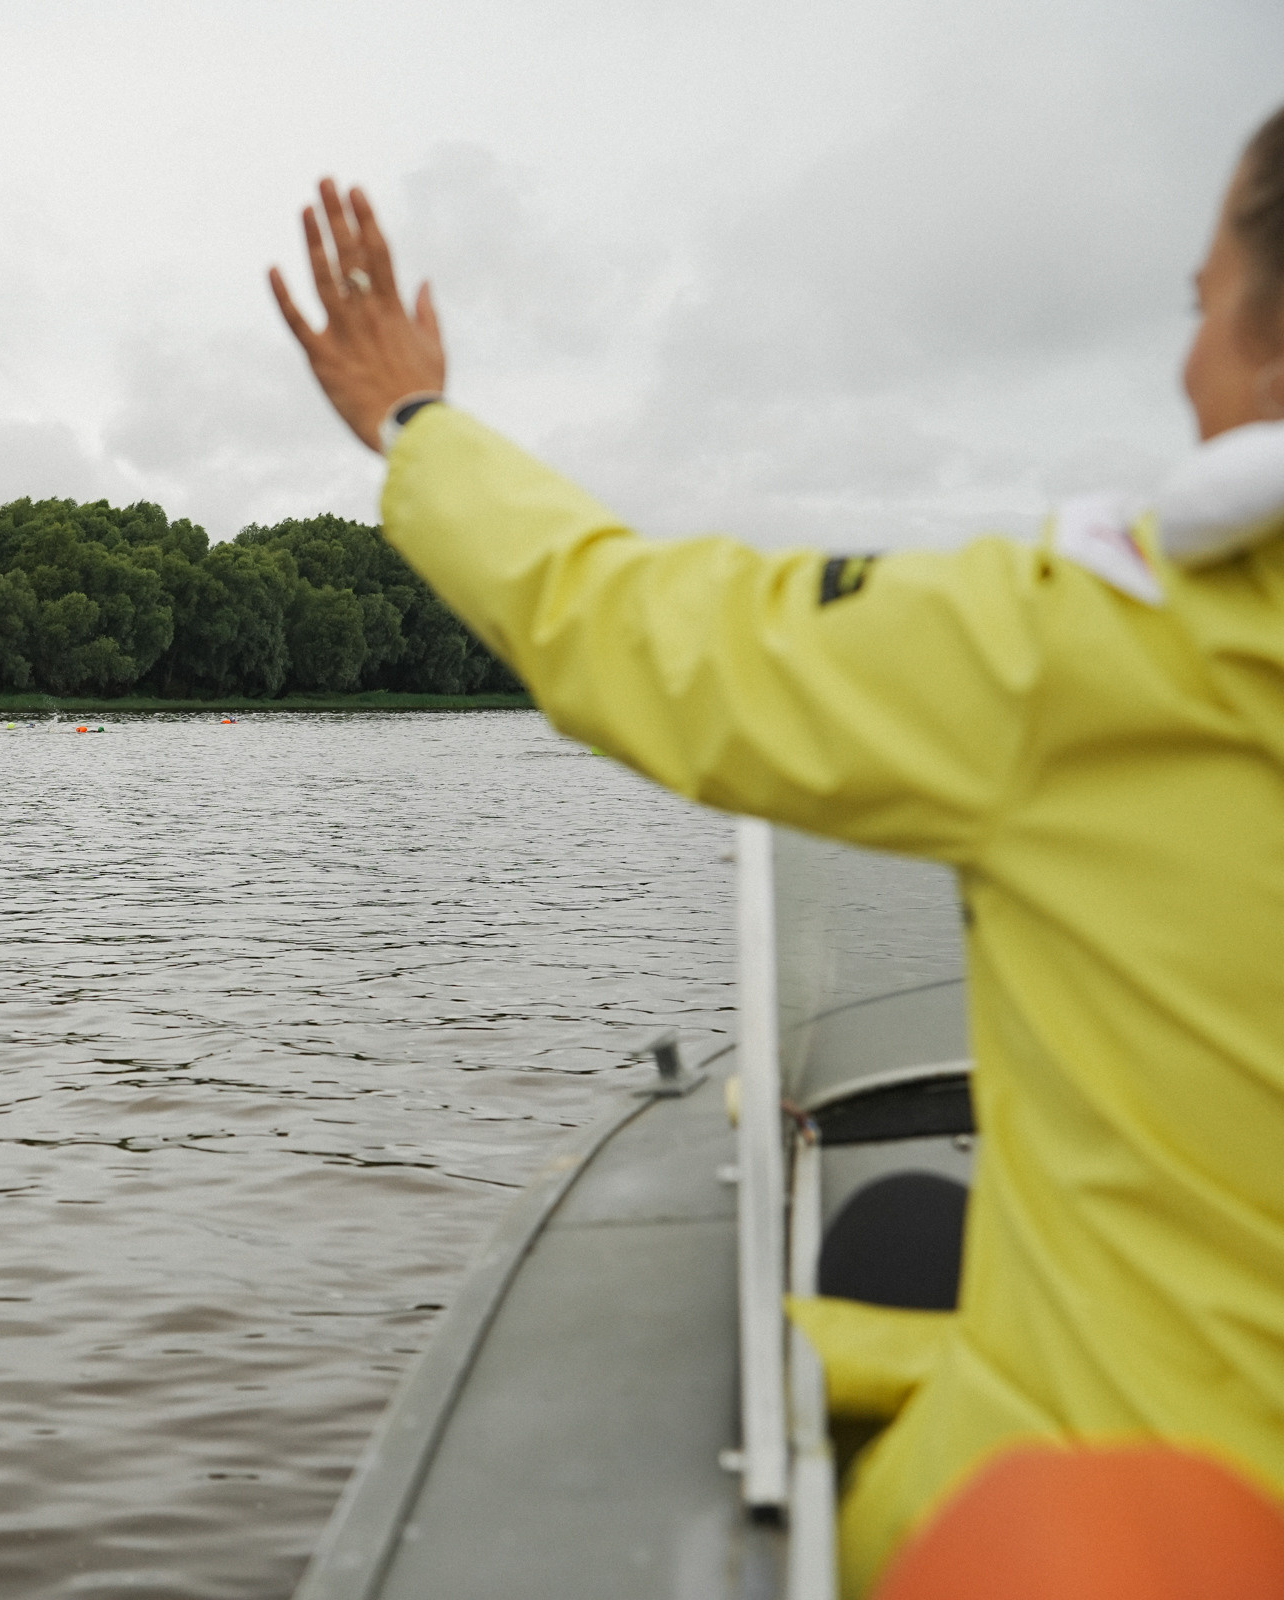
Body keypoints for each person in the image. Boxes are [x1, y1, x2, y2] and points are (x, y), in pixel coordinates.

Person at [272, 107, 1284, 1595]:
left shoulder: (1107, 655)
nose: (1184, 365)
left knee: (899, 1260)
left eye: (1201, 311)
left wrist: (418, 425)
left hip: (1154, 1509)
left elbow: (647, 634)